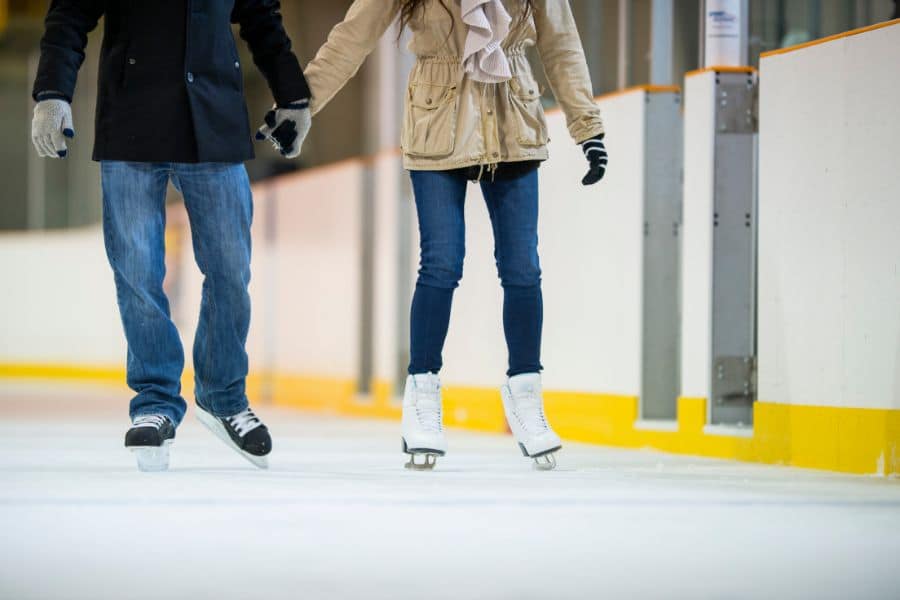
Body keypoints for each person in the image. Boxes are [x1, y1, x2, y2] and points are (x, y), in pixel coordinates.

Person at [305, 0, 608, 470]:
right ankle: (422, 397)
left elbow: (560, 42)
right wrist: (302, 104)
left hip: (513, 120)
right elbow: (353, 35)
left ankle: (526, 395)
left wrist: (587, 126)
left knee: (522, 267)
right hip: (436, 120)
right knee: (442, 263)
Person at [30, 0, 312, 471]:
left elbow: (263, 20)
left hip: (214, 123)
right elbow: (70, 15)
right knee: (138, 275)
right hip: (131, 123)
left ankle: (222, 397)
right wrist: (51, 93)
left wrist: (293, 97)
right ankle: (155, 403)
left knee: (229, 270)